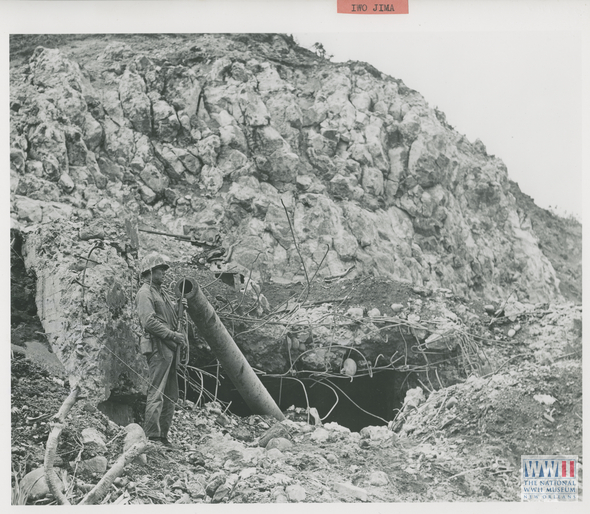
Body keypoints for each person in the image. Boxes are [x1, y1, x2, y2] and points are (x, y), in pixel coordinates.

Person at [135, 251, 186, 448]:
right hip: (158, 347)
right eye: (160, 269)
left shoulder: (160, 293)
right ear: (149, 271)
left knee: (171, 394)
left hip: (169, 348)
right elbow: (148, 321)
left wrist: (178, 305)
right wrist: (172, 335)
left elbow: (168, 317)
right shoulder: (144, 293)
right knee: (156, 393)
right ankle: (153, 437)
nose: (164, 273)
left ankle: (163, 436)